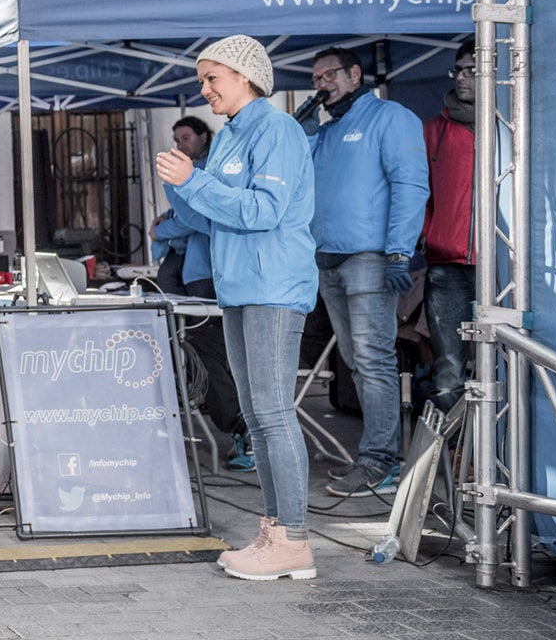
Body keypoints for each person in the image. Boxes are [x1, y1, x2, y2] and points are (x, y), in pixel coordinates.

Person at [155, 35, 319, 583]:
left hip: (273, 286)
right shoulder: (229, 138)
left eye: (211, 79)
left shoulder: (278, 130)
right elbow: (212, 218)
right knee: (257, 415)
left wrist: (194, 181)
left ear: (245, 77)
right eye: (203, 80)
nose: (204, 90)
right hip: (240, 288)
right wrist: (182, 188)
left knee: (273, 414)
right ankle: (276, 531)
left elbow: (265, 211)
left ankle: (294, 539)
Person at [306, 45, 429, 498]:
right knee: (357, 361)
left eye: (330, 75)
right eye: (316, 78)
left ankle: (380, 460)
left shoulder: (390, 119)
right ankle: (377, 451)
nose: (322, 84)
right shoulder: (326, 132)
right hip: (328, 260)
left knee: (374, 360)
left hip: (370, 259)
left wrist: (398, 251)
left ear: (355, 74)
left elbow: (411, 183)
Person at [151, 116, 250, 468]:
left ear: (206, 137)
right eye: (176, 138)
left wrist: (164, 230)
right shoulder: (180, 174)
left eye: (187, 137)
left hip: (222, 274)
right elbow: (188, 219)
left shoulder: (215, 170)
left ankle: (243, 430)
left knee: (213, 355)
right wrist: (175, 226)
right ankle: (238, 428)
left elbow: (196, 219)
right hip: (198, 275)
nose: (181, 144)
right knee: (197, 351)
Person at [420, 38, 478, 418]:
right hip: (446, 263)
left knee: (508, 365)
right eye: (459, 69)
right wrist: (428, 235)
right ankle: (456, 460)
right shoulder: (433, 130)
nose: (463, 78)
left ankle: (503, 457)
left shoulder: (515, 122)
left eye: (472, 69)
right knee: (449, 370)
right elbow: (418, 193)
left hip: (504, 267)